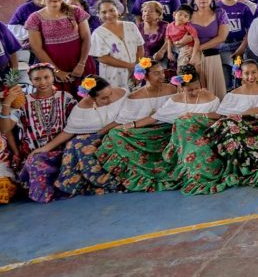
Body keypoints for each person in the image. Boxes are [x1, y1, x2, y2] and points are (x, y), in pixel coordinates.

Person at [97, 58, 178, 192]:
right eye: (156, 73)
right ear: (144, 76)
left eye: (162, 72)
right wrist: (99, 133)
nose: (162, 76)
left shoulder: (172, 89)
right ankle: (139, 174)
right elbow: (120, 121)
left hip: (167, 130)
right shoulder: (135, 96)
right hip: (144, 131)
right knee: (113, 134)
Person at [208, 58, 258, 189]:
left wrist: (240, 116)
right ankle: (241, 167)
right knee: (228, 124)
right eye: (247, 73)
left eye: (254, 72)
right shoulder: (232, 95)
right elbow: (221, 114)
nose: (250, 77)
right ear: (240, 74)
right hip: (238, 126)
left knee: (231, 123)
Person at [4, 64, 76, 203]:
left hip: (64, 150)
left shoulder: (65, 97)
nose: (42, 82)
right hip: (35, 153)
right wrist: (7, 102)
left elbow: (75, 126)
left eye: (46, 77)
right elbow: (5, 128)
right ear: (31, 81)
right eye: (37, 79)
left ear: (53, 78)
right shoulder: (23, 102)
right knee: (35, 162)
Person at [155, 66, 228, 194]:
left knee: (183, 121)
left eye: (197, 88)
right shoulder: (174, 100)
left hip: (205, 134)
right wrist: (132, 124)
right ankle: (191, 170)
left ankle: (200, 169)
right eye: (189, 90)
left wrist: (195, 116)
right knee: (180, 122)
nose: (194, 92)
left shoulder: (210, 97)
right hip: (184, 139)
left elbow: (218, 117)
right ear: (181, 88)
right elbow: (155, 117)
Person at [53, 75, 125, 197]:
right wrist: (43, 149)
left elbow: (126, 118)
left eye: (110, 94)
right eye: (104, 98)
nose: (110, 99)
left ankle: (106, 182)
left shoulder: (123, 94)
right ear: (92, 98)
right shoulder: (81, 109)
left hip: (120, 133)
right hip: (100, 136)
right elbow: (68, 132)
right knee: (73, 143)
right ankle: (68, 185)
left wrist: (101, 132)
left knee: (79, 143)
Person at [26, 0, 93, 95]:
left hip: (81, 64)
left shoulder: (76, 11)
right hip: (53, 69)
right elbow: (37, 48)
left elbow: (86, 38)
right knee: (61, 102)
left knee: (88, 97)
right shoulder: (35, 18)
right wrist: (56, 71)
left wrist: (81, 64)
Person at [89, 0, 143, 91]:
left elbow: (140, 47)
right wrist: (129, 66)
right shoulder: (98, 33)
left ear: (118, 11)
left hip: (135, 72)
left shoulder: (131, 26)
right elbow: (102, 57)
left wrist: (137, 69)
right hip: (113, 75)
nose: (108, 15)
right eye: (104, 12)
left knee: (135, 99)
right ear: (98, 14)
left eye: (111, 10)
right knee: (116, 100)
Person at [164, 4, 201, 69]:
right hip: (175, 45)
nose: (182, 17)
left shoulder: (188, 27)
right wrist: (169, 52)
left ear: (189, 20)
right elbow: (168, 39)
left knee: (182, 65)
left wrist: (193, 56)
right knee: (169, 59)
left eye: (185, 16)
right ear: (174, 14)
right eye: (180, 14)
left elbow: (197, 41)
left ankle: (181, 72)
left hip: (186, 46)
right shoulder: (169, 26)